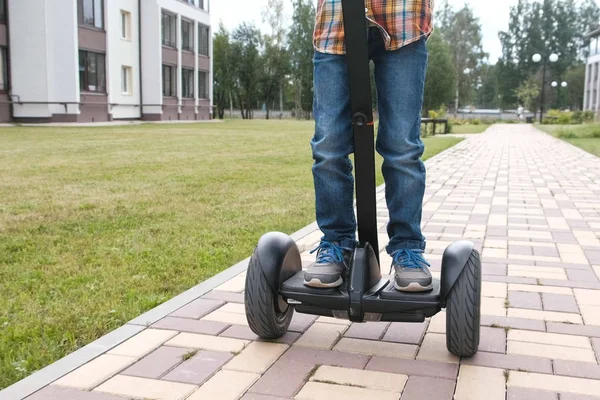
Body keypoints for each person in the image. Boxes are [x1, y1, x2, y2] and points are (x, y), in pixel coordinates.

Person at [303, 0, 434, 292]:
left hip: (403, 16)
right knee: (328, 146)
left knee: (402, 147)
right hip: (334, 22)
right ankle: (337, 243)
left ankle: (407, 248)